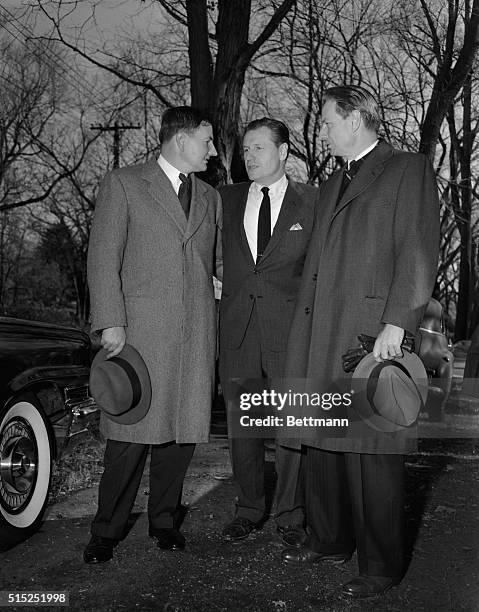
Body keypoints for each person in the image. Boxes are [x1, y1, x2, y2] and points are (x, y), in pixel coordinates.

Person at [280, 85, 440, 598]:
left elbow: (419, 250)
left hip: (373, 333)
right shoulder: (330, 183)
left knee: (372, 453)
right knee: (324, 444)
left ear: (354, 119)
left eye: (327, 120)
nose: (322, 129)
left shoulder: (406, 168)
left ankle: (380, 565)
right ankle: (329, 538)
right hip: (322, 331)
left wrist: (400, 320)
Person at [84, 106, 222, 564]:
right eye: (207, 141)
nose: (213, 150)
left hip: (195, 336)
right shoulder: (124, 184)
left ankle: (164, 521)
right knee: (129, 438)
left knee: (180, 436)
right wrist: (109, 319)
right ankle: (106, 528)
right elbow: (103, 258)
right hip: (139, 336)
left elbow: (213, 263)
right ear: (181, 141)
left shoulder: (210, 197)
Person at [219, 117, 318, 546]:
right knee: (244, 428)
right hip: (238, 332)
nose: (250, 156)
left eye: (259, 148)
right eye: (246, 150)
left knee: (291, 428)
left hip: (291, 334)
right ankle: (248, 509)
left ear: (284, 152)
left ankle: (290, 515)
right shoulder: (224, 199)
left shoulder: (312, 203)